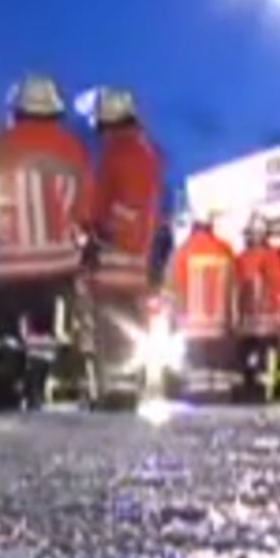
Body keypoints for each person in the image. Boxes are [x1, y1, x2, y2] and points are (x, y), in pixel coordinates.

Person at [0, 74, 96, 375]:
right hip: (58, 266)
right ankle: (47, 374)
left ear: (17, 110)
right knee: (49, 332)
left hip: (9, 265)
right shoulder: (73, 148)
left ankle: (7, 372)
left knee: (5, 334)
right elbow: (86, 210)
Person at [85, 87, 166, 371]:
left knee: (110, 329)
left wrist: (91, 237)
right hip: (138, 266)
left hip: (111, 264)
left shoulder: (115, 154)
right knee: (133, 326)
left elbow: (97, 206)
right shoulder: (149, 154)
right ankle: (131, 379)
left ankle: (113, 382)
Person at [168, 217, 238, 389]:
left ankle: (199, 387)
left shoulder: (183, 251)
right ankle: (220, 388)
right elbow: (235, 283)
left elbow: (176, 288)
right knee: (218, 358)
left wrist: (174, 319)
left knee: (197, 360)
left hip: (193, 323)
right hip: (219, 321)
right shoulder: (225, 249)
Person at [235, 220, 280, 397]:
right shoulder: (264, 257)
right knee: (260, 353)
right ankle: (263, 386)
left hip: (256, 317)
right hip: (257, 317)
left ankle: (261, 385)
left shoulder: (249, 257)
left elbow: (278, 285)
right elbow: (279, 284)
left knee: (258, 353)